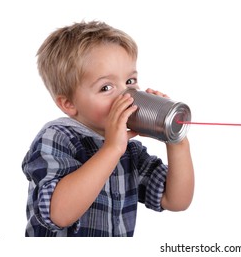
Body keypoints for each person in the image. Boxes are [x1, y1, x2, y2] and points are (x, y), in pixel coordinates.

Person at [22, 21, 195, 237]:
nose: (126, 95)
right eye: (106, 87)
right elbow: (58, 214)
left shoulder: (129, 151)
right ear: (69, 104)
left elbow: (176, 200)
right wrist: (112, 149)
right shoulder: (57, 136)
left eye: (130, 81)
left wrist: (176, 141)